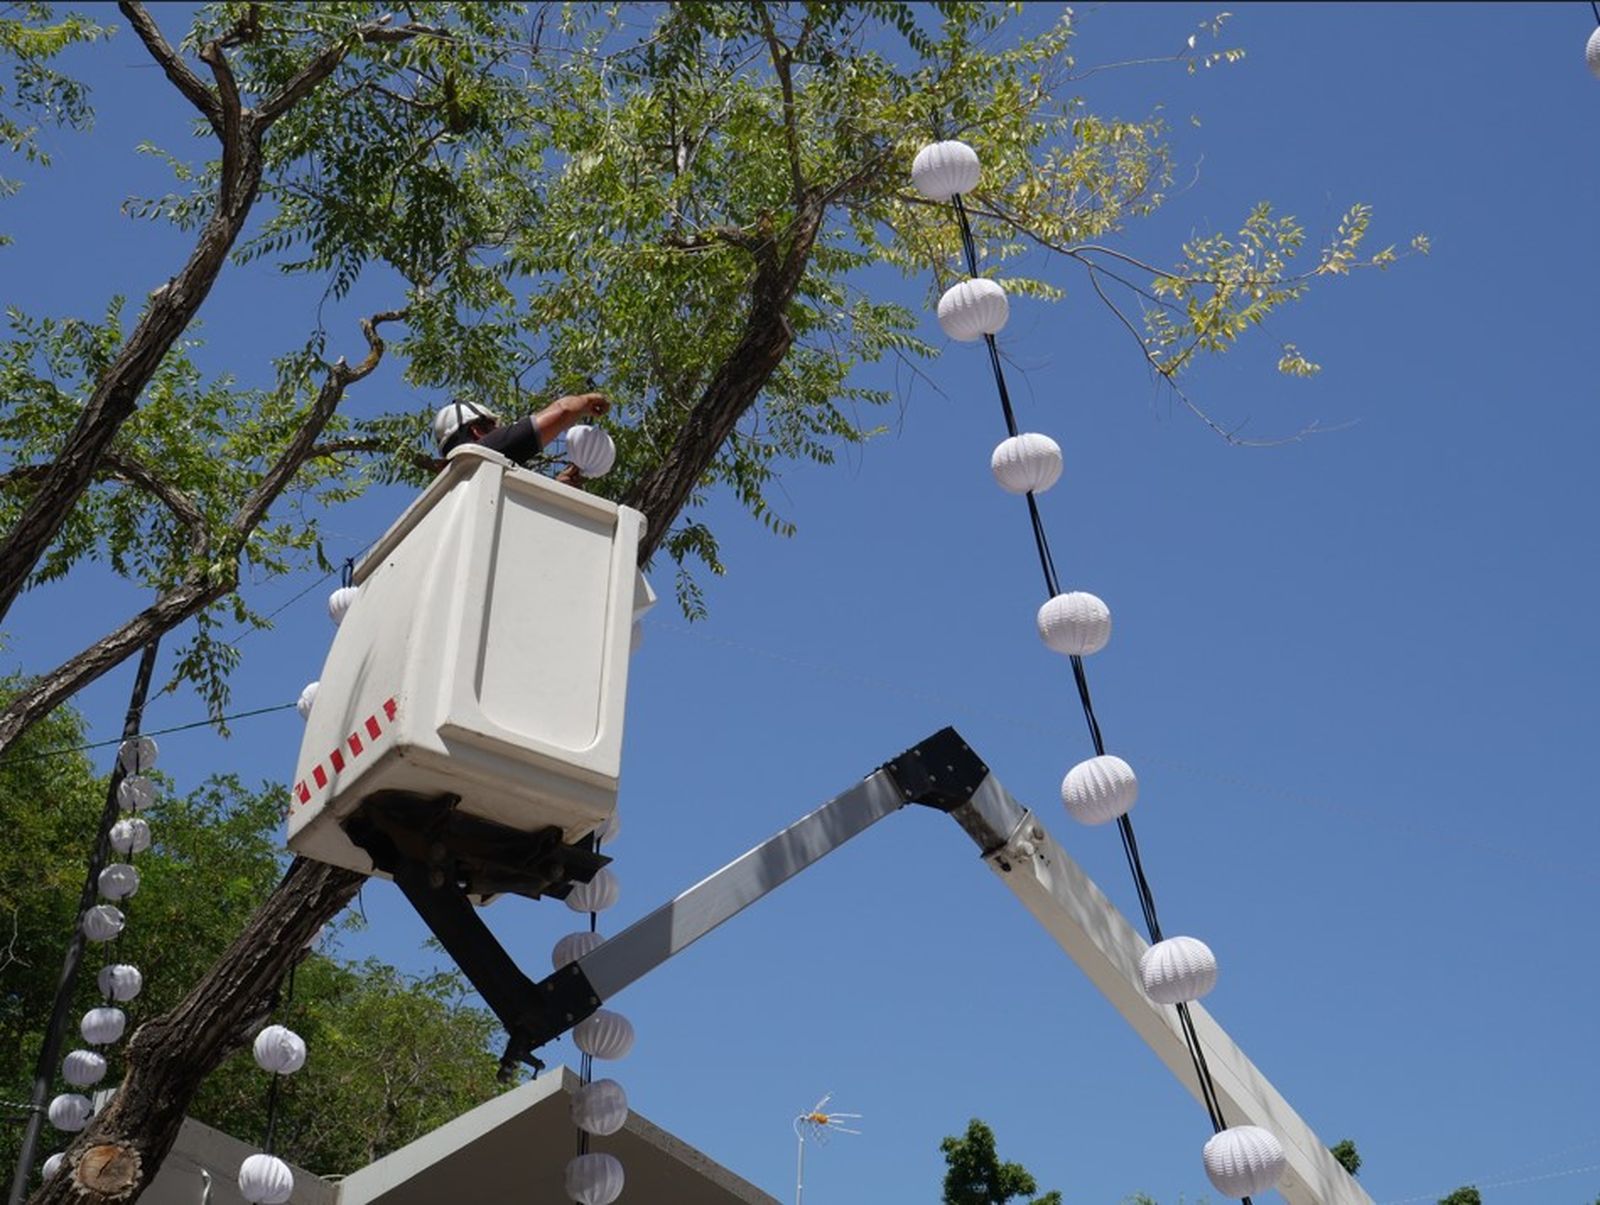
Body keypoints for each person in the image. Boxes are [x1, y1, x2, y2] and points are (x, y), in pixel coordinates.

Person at [432, 391, 610, 467]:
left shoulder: (451, 485)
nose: (498, 430)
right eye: (493, 426)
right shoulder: (482, 451)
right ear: (477, 430)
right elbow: (563, 411)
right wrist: (586, 402)